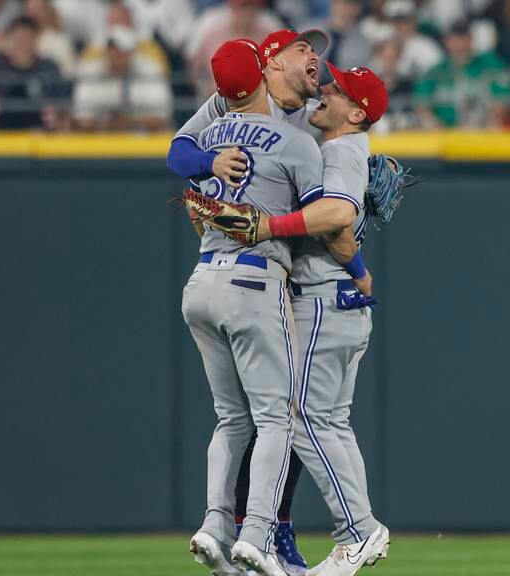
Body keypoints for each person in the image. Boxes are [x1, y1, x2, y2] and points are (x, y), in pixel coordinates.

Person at [202, 64, 395, 575]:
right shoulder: (326, 143)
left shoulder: (344, 149)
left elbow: (337, 217)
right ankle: (351, 531)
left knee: (303, 419)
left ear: (357, 112)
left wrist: (269, 225)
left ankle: (358, 530)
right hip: (337, 298)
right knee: (329, 421)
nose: (324, 90)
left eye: (338, 90)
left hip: (323, 295)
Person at [171, 29, 329, 575]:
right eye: (299, 50)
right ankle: (258, 534)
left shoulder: (216, 130)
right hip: (256, 283)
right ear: (265, 68)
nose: (313, 56)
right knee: (278, 419)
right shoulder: (297, 141)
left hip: (201, 283)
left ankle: (216, 524)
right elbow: (317, 225)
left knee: (229, 419)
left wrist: (207, 171)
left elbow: (183, 166)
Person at [0, 16, 71, 130]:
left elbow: (64, 107)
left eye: (27, 38)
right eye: (19, 38)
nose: (23, 44)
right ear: (10, 39)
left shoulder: (48, 66)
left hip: (40, 134)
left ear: (36, 40)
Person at [413, 20, 510, 129]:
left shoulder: (490, 64)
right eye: (454, 39)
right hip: (444, 135)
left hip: (481, 132)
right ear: (446, 41)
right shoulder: (435, 72)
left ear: (471, 40)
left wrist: (484, 122)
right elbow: (421, 104)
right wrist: (436, 125)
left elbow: (503, 100)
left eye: (464, 38)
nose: (459, 44)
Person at [369, 0, 443, 91]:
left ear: (413, 20)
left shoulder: (427, 46)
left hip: (418, 94)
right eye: (395, 21)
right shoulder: (380, 44)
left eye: (404, 20)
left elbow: (437, 76)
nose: (400, 25)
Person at [24, 0, 76, 78]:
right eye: (29, 10)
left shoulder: (60, 42)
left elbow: (68, 75)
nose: (33, 14)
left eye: (38, 9)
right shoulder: (14, 40)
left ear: (47, 12)